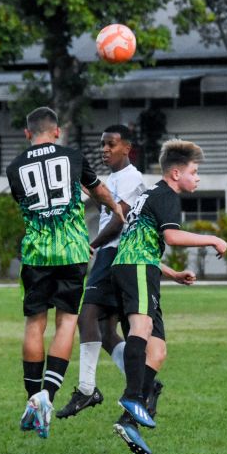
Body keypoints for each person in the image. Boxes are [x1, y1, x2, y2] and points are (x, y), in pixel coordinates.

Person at [56, 125, 193, 420]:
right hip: (119, 257)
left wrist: (91, 245)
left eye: (110, 144)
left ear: (127, 148)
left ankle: (87, 389)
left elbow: (119, 221)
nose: (104, 149)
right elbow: (111, 209)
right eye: (102, 144)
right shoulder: (116, 178)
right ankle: (147, 385)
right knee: (106, 331)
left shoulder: (132, 178)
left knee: (88, 317)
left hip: (114, 253)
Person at [6, 107, 123, 439]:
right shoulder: (72, 155)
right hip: (72, 251)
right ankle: (49, 397)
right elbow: (97, 189)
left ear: (28, 134)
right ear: (56, 131)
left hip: (36, 254)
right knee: (67, 322)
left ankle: (33, 398)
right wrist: (115, 208)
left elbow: (25, 204)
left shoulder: (14, 167)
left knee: (34, 323)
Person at [110, 139, 227, 454]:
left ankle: (128, 421)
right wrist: (213, 239)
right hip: (135, 269)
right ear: (176, 173)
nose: (198, 177)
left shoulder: (152, 194)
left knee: (157, 351)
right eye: (194, 171)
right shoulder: (166, 195)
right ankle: (133, 398)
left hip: (141, 267)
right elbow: (171, 237)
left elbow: (140, 241)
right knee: (141, 328)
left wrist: (173, 274)